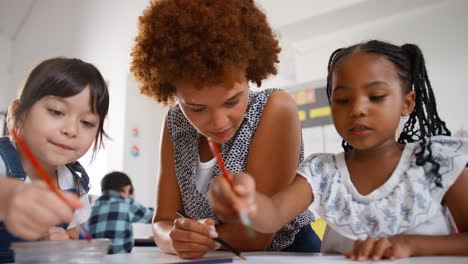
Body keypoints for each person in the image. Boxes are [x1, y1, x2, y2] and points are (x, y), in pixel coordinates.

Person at [208, 40, 468, 261]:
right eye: (342, 100)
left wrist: (411, 244)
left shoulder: (436, 162)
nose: (357, 109)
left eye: (376, 96)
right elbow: (273, 215)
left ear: (407, 103)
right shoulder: (322, 171)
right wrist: (248, 202)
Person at [130, 0, 320, 259]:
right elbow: (162, 221)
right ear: (170, 91)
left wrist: (202, 240)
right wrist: (175, 240)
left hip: (287, 254)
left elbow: (259, 233)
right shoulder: (175, 123)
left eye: (232, 101)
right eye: (196, 107)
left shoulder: (274, 108)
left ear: (250, 73)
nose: (219, 123)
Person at [0, 57, 109, 263]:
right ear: (18, 114)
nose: (71, 130)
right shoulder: (3, 160)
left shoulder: (75, 182)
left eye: (87, 122)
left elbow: (76, 233)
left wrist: (63, 241)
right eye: (57, 112)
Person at [87, 171, 154, 254]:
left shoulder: (92, 206)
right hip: (119, 257)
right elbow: (153, 217)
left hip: (95, 258)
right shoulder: (126, 203)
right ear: (127, 188)